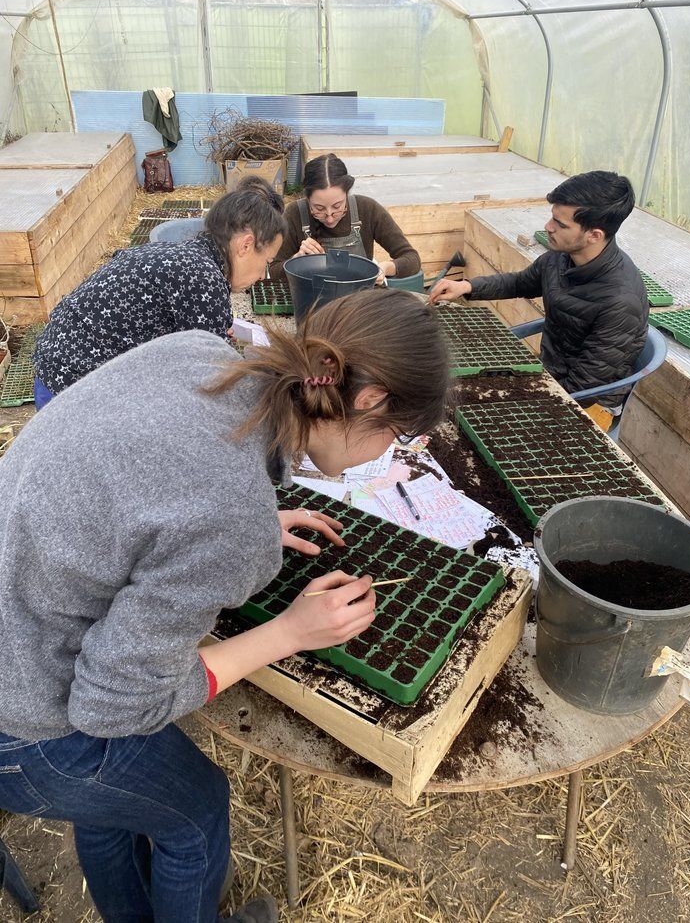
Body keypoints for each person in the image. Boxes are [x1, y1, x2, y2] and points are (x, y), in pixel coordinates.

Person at [0, 289, 450, 923]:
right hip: (23, 726)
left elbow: (150, 482)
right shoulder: (229, 516)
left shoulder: (199, 352)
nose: (386, 454)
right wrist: (289, 632)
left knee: (109, 808)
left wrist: (247, 511)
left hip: (14, 621)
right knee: (197, 812)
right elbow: (113, 708)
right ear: (370, 401)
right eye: (397, 436)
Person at [32, 176, 286, 408]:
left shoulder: (187, 255)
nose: (264, 275)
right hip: (71, 389)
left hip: (54, 366)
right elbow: (210, 379)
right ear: (246, 245)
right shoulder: (204, 277)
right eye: (267, 261)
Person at [429, 170, 647, 429]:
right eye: (552, 217)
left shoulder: (620, 301)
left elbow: (584, 389)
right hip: (549, 374)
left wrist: (515, 401)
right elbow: (521, 282)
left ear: (594, 235)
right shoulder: (562, 256)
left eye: (560, 224)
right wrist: (466, 286)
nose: (548, 227)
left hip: (589, 403)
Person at [269, 153, 420, 284]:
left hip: (357, 304)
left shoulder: (367, 209)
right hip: (311, 299)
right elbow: (273, 271)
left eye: (337, 206)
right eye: (319, 209)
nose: (329, 218)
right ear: (307, 198)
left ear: (347, 194)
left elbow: (412, 259)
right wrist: (297, 260)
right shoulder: (295, 213)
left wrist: (384, 268)